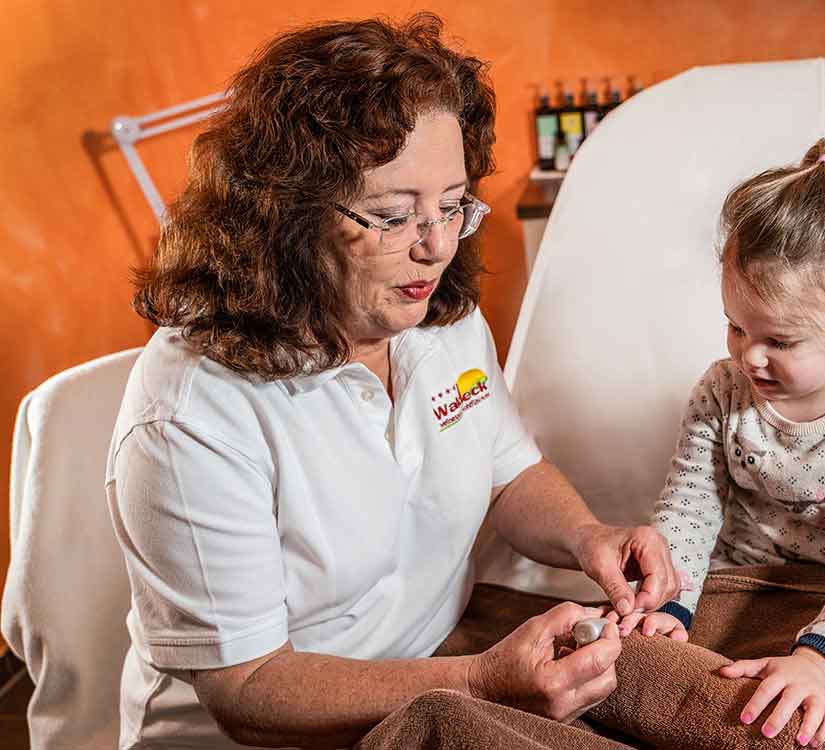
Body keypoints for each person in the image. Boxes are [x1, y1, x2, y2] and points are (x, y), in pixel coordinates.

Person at [105, 16, 679, 749]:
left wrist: (589, 536)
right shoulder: (192, 415)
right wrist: (481, 683)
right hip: (285, 728)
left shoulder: (436, 320)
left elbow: (508, 474)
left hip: (439, 664)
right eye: (393, 215)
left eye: (452, 205)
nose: (436, 246)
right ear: (284, 216)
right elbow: (248, 690)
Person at [614, 136, 825, 748]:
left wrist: (818, 662)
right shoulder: (721, 390)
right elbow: (689, 507)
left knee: (817, 722)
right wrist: (670, 604)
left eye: (780, 341)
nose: (750, 357)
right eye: (736, 327)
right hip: (733, 588)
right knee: (622, 665)